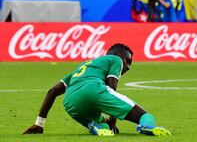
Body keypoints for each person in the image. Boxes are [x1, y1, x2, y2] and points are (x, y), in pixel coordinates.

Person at [23, 43, 171, 137]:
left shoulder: (83, 66)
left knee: (102, 125)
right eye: (128, 61)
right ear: (118, 56)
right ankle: (146, 126)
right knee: (144, 115)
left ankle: (96, 127)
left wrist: (39, 124)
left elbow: (52, 91)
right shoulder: (115, 59)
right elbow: (111, 88)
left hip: (70, 103)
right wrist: (114, 121)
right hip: (93, 89)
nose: (128, 67)